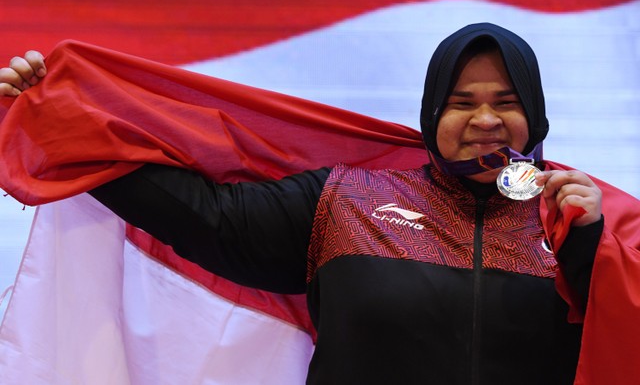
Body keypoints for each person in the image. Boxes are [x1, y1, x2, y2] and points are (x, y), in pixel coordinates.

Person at [0, 23, 606, 384]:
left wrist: (590, 250)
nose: (484, 119)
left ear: (535, 112)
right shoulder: (346, 201)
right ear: (430, 115)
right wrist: (55, 124)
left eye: (505, 100)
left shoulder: (581, 221)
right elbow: (206, 215)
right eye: (460, 101)